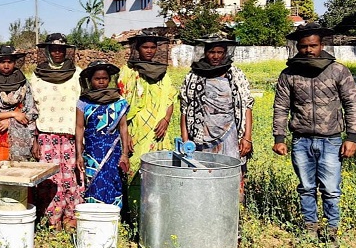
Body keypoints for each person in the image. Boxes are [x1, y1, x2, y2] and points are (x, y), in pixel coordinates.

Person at [272, 22, 356, 241]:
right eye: (303, 46)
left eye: (313, 45)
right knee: (306, 187)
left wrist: (352, 137)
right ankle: (310, 229)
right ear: (297, 47)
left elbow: (352, 103)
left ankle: (332, 231)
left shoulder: (338, 70)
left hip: (331, 140)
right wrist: (279, 137)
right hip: (301, 140)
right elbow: (281, 106)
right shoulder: (289, 74)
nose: (308, 50)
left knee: (331, 189)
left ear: (321, 45)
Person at [179, 36, 253, 200]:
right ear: (205, 53)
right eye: (212, 52)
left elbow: (247, 105)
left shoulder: (235, 74)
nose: (216, 56)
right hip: (201, 137)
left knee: (231, 173)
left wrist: (247, 138)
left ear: (226, 53)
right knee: (203, 173)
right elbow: (185, 109)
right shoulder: (193, 76)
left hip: (230, 135)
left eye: (220, 52)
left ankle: (232, 211)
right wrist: (186, 141)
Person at [117, 31, 176, 218]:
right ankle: (135, 216)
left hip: (158, 133)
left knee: (157, 174)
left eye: (152, 47)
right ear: (137, 49)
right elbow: (119, 106)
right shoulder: (128, 72)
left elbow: (171, 99)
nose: (149, 51)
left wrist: (166, 120)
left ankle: (155, 217)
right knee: (135, 172)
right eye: (145, 47)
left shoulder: (163, 73)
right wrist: (125, 136)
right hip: (135, 132)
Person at [31, 33, 83, 231]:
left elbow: (82, 108)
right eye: (53, 49)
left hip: (70, 134)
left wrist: (81, 137)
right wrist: (35, 139)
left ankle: (71, 216)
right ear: (47, 51)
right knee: (49, 178)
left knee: (70, 176)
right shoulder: (36, 76)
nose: (58, 52)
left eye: (61, 49)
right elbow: (33, 108)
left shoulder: (77, 74)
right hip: (45, 134)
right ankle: (52, 220)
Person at [0, 45, 38, 209]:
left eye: (10, 61)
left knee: (22, 176)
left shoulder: (23, 82)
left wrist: (12, 123)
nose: (6, 65)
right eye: (2, 62)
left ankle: (22, 215)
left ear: (15, 63)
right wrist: (12, 115)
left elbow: (31, 111)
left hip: (20, 137)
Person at [75, 61, 130, 207]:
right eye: (97, 78)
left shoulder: (119, 102)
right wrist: (79, 155)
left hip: (113, 151)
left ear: (110, 79)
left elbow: (123, 127)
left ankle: (113, 217)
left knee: (113, 180)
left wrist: (124, 154)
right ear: (90, 80)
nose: (101, 81)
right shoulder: (83, 102)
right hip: (93, 152)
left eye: (104, 78)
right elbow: (79, 127)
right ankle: (94, 215)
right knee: (94, 182)